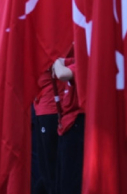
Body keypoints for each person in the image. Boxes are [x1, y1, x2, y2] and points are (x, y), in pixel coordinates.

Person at [52, 56, 84, 194]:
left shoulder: (86, 63)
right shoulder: (75, 60)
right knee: (61, 178)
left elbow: (62, 74)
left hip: (77, 123)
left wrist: (56, 62)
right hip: (67, 125)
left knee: (71, 181)